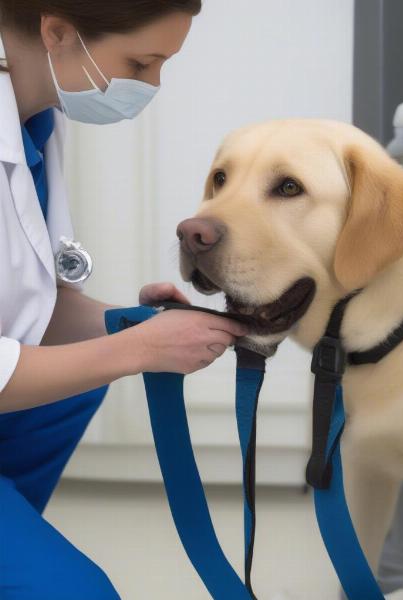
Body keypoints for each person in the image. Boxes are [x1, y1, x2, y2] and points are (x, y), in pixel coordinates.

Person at [0, 2, 248, 598]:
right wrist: (138, 348)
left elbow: (30, 306)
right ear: (57, 32)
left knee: (73, 388)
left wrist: (123, 323)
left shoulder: (35, 123)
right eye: (142, 62)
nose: (151, 85)